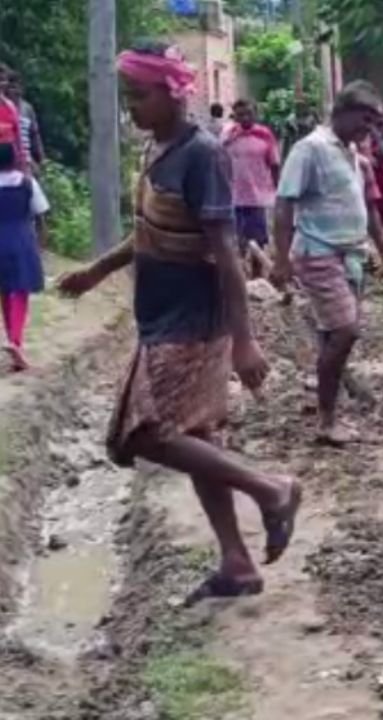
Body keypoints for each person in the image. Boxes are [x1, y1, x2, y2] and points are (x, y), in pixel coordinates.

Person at [55, 43, 301, 605]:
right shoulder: (156, 147)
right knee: (193, 436)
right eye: (128, 97)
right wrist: (97, 269)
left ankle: (272, 489)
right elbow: (149, 229)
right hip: (160, 313)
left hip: (195, 317)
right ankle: (237, 563)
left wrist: (245, 340)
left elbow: (228, 254)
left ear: (171, 92)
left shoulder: (202, 155)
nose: (132, 107)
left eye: (139, 95)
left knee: (142, 433)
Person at [272, 80, 383, 446]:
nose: (369, 128)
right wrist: (280, 260)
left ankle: (328, 410)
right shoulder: (310, 149)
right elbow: (283, 203)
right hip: (318, 251)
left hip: (350, 254)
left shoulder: (351, 153)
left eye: (375, 122)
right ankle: (327, 421)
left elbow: (369, 209)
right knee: (346, 331)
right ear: (342, 111)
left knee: (333, 335)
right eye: (366, 118)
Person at [0, 142, 48, 371]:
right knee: (21, 291)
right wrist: (42, 240)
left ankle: (12, 340)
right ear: (15, 158)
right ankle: (15, 341)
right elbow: (40, 214)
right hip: (21, 239)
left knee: (5, 291)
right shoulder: (27, 183)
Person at [223, 99, 280, 279]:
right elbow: (220, 162)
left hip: (258, 197)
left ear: (255, 114)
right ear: (235, 116)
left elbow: (275, 164)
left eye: (249, 113)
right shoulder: (228, 137)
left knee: (258, 240)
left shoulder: (265, 136)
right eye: (240, 114)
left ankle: (258, 277)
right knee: (237, 241)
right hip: (234, 196)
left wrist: (279, 191)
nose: (245, 117)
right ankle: (240, 279)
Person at [8, 74, 44, 169]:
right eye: (11, 88)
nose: (14, 91)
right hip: (9, 159)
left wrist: (40, 158)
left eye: (16, 87)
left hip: (27, 159)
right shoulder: (4, 108)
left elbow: (34, 134)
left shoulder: (27, 109)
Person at [0, 65, 27, 173]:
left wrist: (24, 167)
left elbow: (18, 140)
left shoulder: (10, 107)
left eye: (2, 80)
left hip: (10, 167)